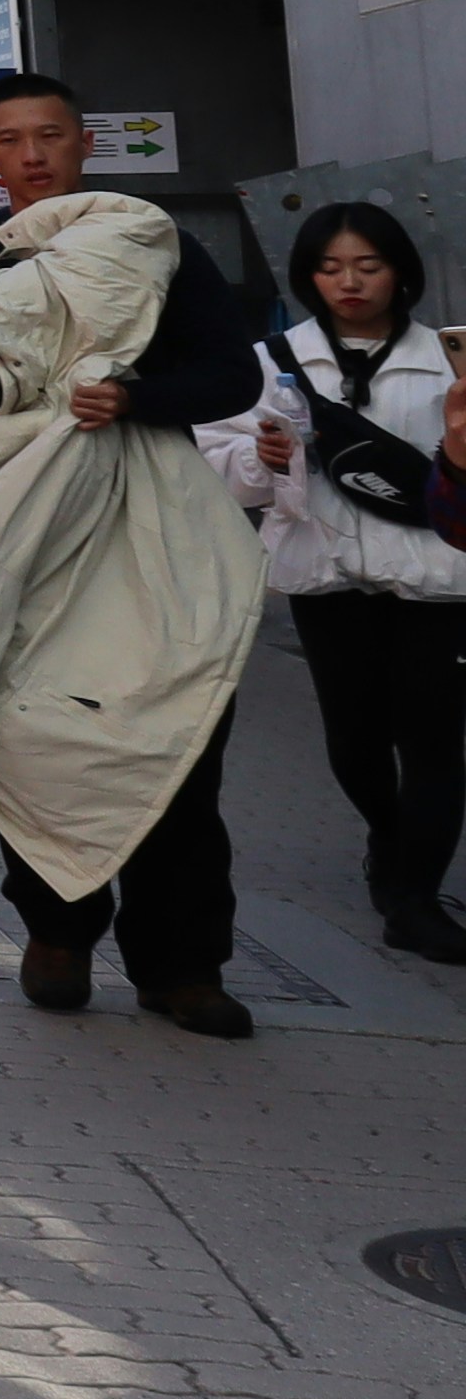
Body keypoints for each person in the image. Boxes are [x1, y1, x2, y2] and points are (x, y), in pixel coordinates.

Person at [0, 72, 268, 1031]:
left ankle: (184, 965)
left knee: (178, 720)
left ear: (83, 142)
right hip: (27, 513)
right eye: (11, 141)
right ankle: (57, 929)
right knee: (34, 724)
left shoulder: (159, 245)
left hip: (154, 519)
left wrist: (133, 395)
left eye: (50, 136)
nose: (34, 156)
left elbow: (228, 373)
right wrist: (51, 374)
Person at [221, 202, 466, 965]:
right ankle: (389, 842)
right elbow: (220, 472)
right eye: (330, 268)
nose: (349, 282)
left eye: (369, 266)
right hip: (328, 579)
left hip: (438, 580)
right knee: (354, 742)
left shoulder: (450, 356)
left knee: (433, 743)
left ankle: (416, 899)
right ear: (306, 276)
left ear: (401, 272)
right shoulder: (271, 360)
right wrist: (261, 459)